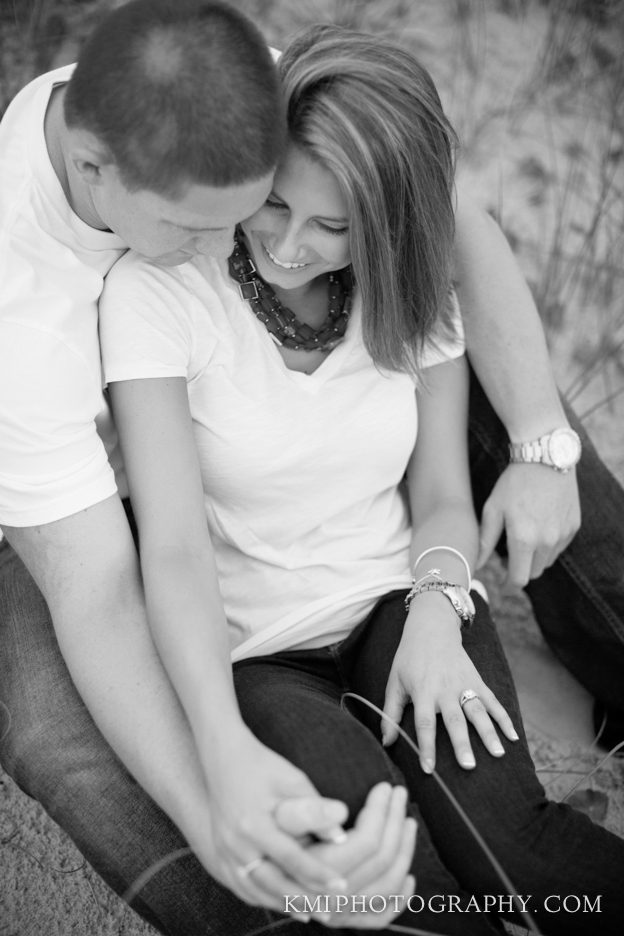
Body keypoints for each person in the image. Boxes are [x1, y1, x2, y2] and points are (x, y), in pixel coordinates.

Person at [0, 0, 622, 933]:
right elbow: (116, 579)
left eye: (317, 221)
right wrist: (218, 766)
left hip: (392, 597)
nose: (261, 245)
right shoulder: (66, 306)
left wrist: (518, 482)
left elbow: (436, 210)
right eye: (258, 210)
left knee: (519, 851)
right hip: (250, 641)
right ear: (95, 173)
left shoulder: (260, 101)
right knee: (390, 885)